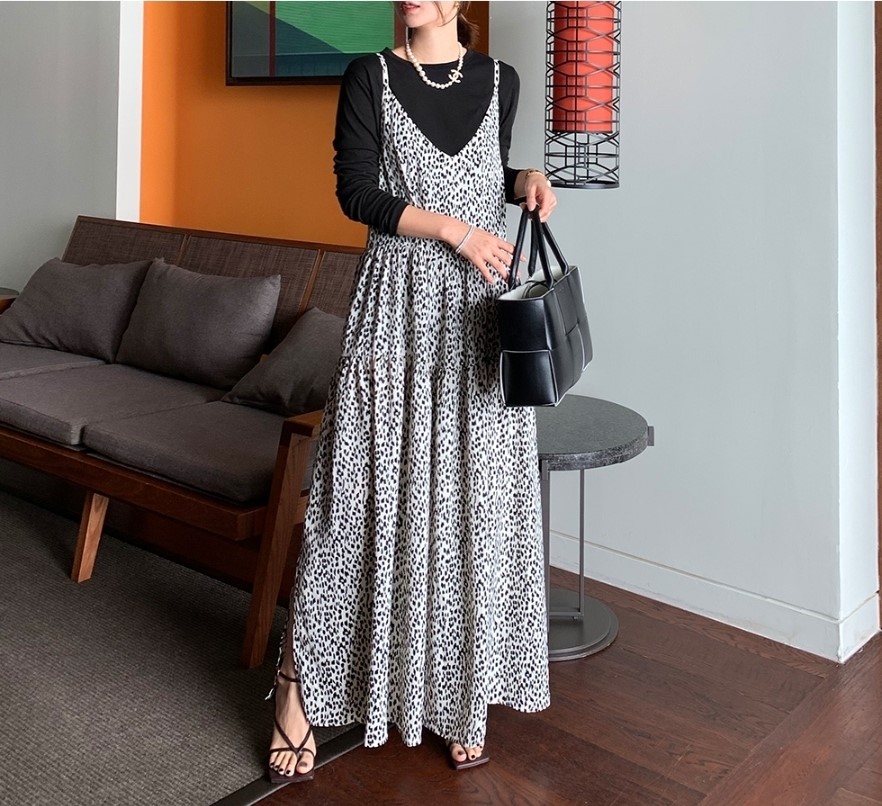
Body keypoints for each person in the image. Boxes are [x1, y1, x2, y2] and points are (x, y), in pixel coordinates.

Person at [266, 0, 557, 782]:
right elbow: (357, 193)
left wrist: (522, 179)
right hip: (395, 308)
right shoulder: (369, 76)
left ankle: (462, 694)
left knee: (473, 503)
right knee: (355, 495)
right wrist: (456, 233)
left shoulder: (502, 80)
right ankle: (297, 684)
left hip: (477, 315)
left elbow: (479, 181)